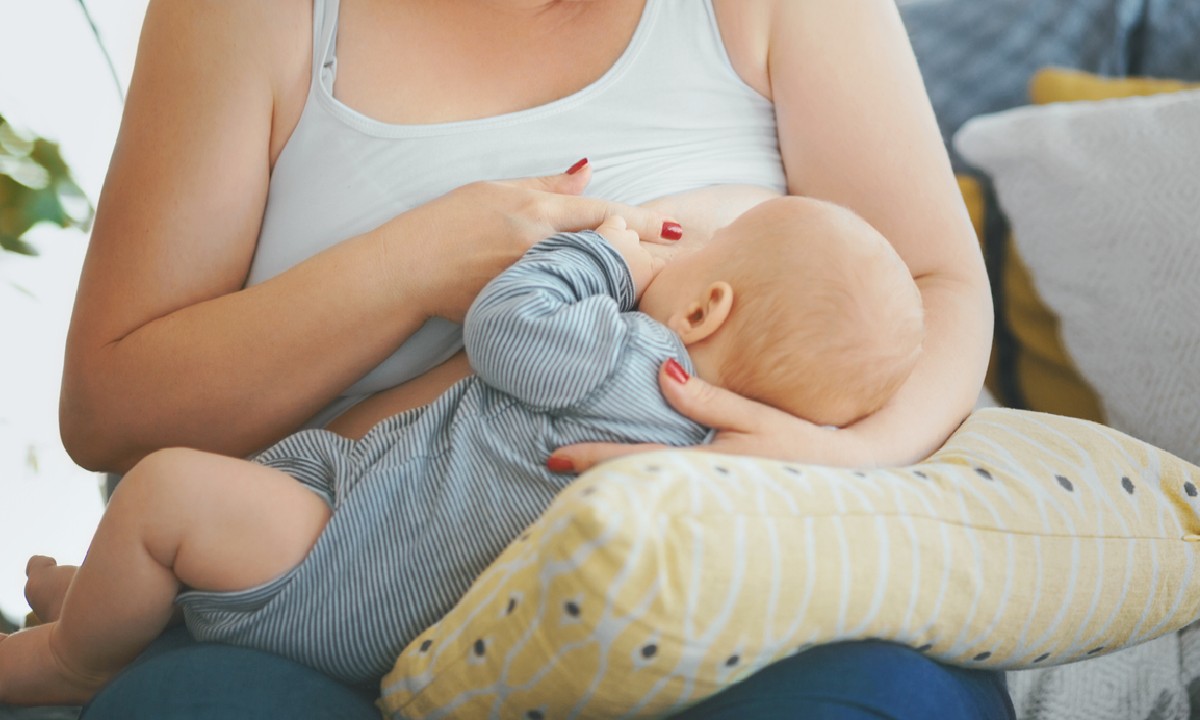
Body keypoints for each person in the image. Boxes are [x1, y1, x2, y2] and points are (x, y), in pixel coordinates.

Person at [41, 0, 1009, 717]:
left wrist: (832, 460)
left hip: (710, 610)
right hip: (331, 600)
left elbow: (941, 292)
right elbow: (108, 405)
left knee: (871, 698)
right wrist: (413, 268)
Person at [2, 196, 924, 706]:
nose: (679, 240)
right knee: (213, 513)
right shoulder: (708, 447)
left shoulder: (632, 357)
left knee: (165, 496)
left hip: (337, 564)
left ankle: (77, 657)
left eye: (710, 242)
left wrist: (603, 256)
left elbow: (503, 328)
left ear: (705, 309)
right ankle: (102, 596)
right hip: (393, 602)